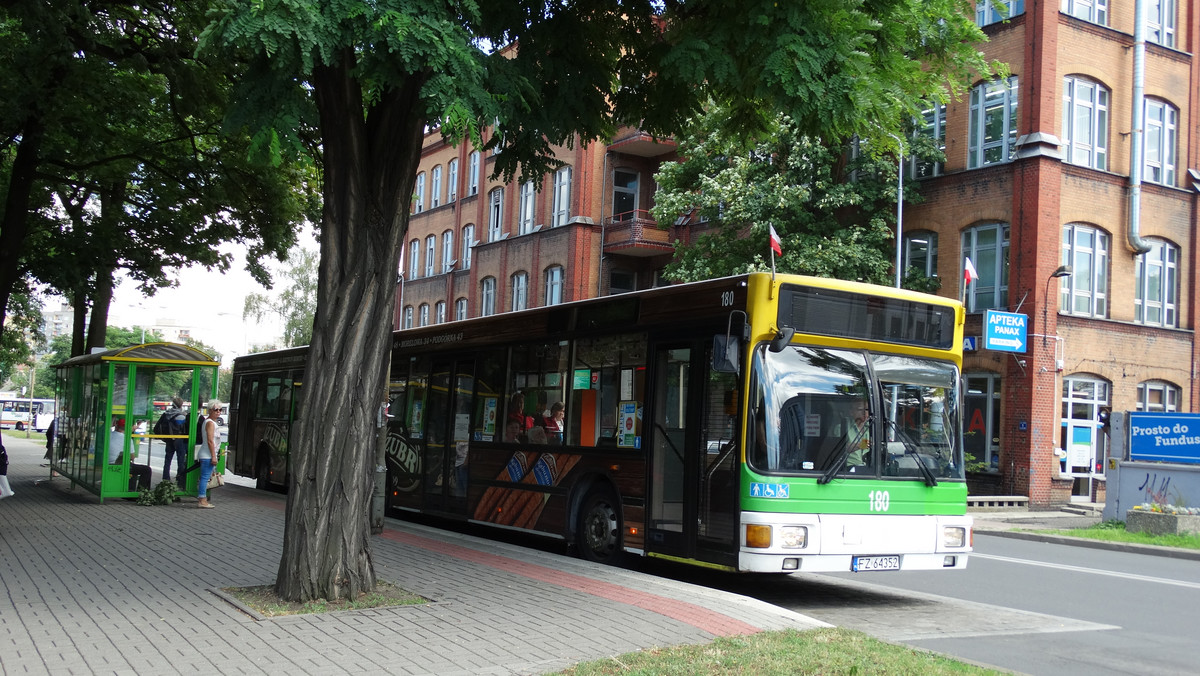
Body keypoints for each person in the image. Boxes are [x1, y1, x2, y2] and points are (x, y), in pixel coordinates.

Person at [109, 418, 151, 491]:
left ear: (116, 426)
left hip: (107, 463)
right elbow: (132, 457)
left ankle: (130, 489)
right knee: (146, 470)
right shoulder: (127, 439)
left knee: (133, 469)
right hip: (119, 465)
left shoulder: (109, 435)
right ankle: (141, 491)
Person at [195, 400, 223, 509]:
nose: (218, 412)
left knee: (205, 477)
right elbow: (210, 441)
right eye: (216, 410)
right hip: (207, 455)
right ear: (210, 410)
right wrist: (214, 456)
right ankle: (202, 500)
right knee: (205, 478)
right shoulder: (210, 423)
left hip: (207, 454)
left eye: (220, 410)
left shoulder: (209, 422)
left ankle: (203, 499)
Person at [158, 397, 187, 488]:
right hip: (179, 439)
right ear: (181, 405)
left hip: (169, 439)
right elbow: (183, 428)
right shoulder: (181, 415)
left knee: (168, 460)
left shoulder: (167, 414)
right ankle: (179, 480)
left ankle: (165, 479)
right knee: (180, 460)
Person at [844, 400, 871, 467]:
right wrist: (861, 445)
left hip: (869, 468)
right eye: (860, 409)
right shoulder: (842, 427)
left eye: (867, 409)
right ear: (851, 412)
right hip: (849, 468)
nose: (864, 413)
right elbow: (840, 449)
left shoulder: (872, 427)